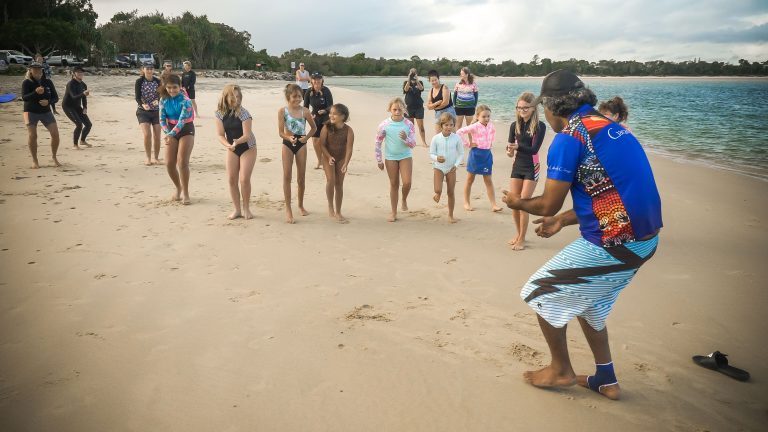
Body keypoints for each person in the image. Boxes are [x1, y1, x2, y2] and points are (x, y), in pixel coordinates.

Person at [502, 70, 662, 400]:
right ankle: (607, 379)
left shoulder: (569, 137)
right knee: (592, 305)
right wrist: (562, 220)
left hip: (617, 244)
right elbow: (612, 195)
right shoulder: (611, 127)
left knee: (539, 292)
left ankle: (561, 370)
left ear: (549, 106)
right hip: (646, 239)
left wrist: (518, 202)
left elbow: (547, 203)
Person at [506, 92, 547, 250]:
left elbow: (534, 149)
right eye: (519, 107)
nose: (522, 110)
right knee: (513, 203)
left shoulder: (539, 126)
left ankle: (522, 238)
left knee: (523, 203)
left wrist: (517, 147)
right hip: (517, 166)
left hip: (532, 167)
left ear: (533, 108)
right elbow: (510, 147)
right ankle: (518, 234)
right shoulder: (514, 125)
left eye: (525, 107)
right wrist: (509, 151)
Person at [215, 84, 257, 220]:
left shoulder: (244, 113)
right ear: (226, 97)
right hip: (232, 147)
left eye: (238, 97)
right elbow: (220, 134)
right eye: (233, 96)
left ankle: (246, 208)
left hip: (247, 147)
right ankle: (237, 209)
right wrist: (228, 145)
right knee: (232, 179)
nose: (235, 99)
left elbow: (247, 135)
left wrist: (236, 142)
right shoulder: (219, 113)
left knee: (244, 179)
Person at [278, 83, 317, 224]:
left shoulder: (305, 111)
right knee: (287, 176)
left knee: (301, 177)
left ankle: (300, 205)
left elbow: (314, 128)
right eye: (294, 96)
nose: (297, 99)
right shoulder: (282, 111)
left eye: (300, 96)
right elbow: (280, 133)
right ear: (288, 96)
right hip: (288, 144)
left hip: (301, 144)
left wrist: (306, 138)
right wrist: (288, 137)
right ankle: (288, 209)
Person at [375, 97, 417, 222]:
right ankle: (393, 212)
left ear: (404, 109)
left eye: (400, 109)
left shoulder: (408, 124)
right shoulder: (384, 125)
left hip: (405, 156)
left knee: (407, 183)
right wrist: (379, 160)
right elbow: (378, 142)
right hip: (390, 157)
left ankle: (404, 199)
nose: (397, 112)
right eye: (394, 109)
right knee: (394, 184)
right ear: (390, 110)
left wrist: (406, 138)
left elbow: (413, 144)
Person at [457, 104, 502, 212]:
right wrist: (468, 144)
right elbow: (459, 132)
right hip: (476, 154)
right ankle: (466, 203)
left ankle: (494, 205)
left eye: (488, 116)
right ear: (477, 116)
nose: (486, 118)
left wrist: (490, 143)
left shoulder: (491, 125)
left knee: (488, 180)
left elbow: (493, 132)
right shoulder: (475, 126)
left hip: (487, 155)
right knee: (469, 179)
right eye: (484, 116)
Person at [159, 74, 195, 204]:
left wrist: (170, 134)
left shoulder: (186, 101)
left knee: (182, 162)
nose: (172, 90)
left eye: (175, 87)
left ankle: (185, 192)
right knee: (169, 163)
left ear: (180, 87)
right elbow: (162, 119)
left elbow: (181, 121)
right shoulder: (163, 100)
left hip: (186, 130)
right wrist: (167, 132)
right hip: (171, 130)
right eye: (169, 87)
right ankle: (178, 188)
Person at [319, 103, 354, 223]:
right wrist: (328, 157)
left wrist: (346, 163)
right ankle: (330, 206)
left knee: (339, 184)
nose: (331, 115)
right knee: (331, 180)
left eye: (334, 114)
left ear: (343, 117)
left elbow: (349, 149)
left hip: (341, 158)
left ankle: (338, 211)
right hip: (328, 156)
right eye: (330, 113)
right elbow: (322, 145)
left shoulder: (349, 130)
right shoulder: (326, 127)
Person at [21, 62, 60, 168]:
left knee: (55, 134)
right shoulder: (26, 82)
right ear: (30, 71)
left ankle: (54, 157)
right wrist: (35, 93)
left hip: (46, 112)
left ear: (42, 71)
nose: (37, 71)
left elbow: (56, 98)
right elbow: (24, 97)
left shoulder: (48, 82)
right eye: (35, 69)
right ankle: (35, 160)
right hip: (29, 112)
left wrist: (48, 102)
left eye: (39, 69)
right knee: (32, 135)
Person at [429, 112, 463, 223]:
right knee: (438, 189)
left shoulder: (457, 138)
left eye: (451, 125)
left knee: (451, 192)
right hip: (438, 167)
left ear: (454, 125)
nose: (449, 127)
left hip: (451, 168)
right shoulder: (436, 138)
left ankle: (450, 215)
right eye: (446, 125)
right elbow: (431, 153)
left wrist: (456, 165)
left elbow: (461, 154)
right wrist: (436, 158)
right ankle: (437, 194)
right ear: (441, 125)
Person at [304, 73, 333, 169]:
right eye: (315, 81)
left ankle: (327, 160)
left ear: (322, 81)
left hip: (326, 117)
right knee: (315, 140)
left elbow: (331, 106)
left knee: (324, 140)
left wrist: (325, 110)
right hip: (315, 117)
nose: (317, 83)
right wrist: (309, 115)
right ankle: (320, 161)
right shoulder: (309, 91)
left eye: (319, 81)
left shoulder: (326, 91)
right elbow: (305, 107)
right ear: (312, 81)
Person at [135, 63, 162, 165]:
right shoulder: (139, 81)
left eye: (151, 69)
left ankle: (156, 158)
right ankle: (148, 158)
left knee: (157, 135)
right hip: (143, 111)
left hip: (156, 111)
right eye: (147, 69)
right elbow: (137, 97)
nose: (149, 71)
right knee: (147, 135)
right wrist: (143, 104)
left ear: (153, 70)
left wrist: (158, 100)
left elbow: (161, 94)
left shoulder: (157, 81)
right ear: (143, 69)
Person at [62, 66, 93, 150]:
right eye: (78, 72)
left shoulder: (83, 84)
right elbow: (73, 97)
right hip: (68, 106)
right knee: (79, 124)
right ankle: (75, 145)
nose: (80, 74)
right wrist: (83, 94)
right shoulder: (70, 84)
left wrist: (85, 107)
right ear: (74, 74)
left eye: (81, 72)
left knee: (88, 124)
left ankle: (82, 141)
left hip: (77, 106)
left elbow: (84, 97)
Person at [403, 68, 426, 147]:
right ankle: (411, 141)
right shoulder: (406, 83)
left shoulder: (420, 82)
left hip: (419, 108)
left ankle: (424, 142)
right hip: (409, 108)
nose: (413, 74)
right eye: (411, 73)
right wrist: (409, 79)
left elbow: (421, 88)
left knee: (421, 127)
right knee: (410, 127)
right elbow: (406, 89)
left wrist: (417, 80)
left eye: (414, 73)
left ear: (417, 74)